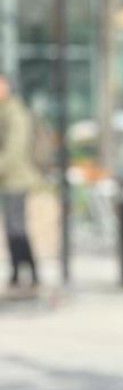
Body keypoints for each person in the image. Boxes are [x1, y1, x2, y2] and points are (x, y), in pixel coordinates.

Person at [0, 73, 41, 292]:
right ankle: (18, 273)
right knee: (12, 227)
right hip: (7, 179)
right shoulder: (4, 111)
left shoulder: (16, 113)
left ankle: (29, 272)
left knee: (16, 227)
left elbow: (14, 150)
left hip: (17, 178)